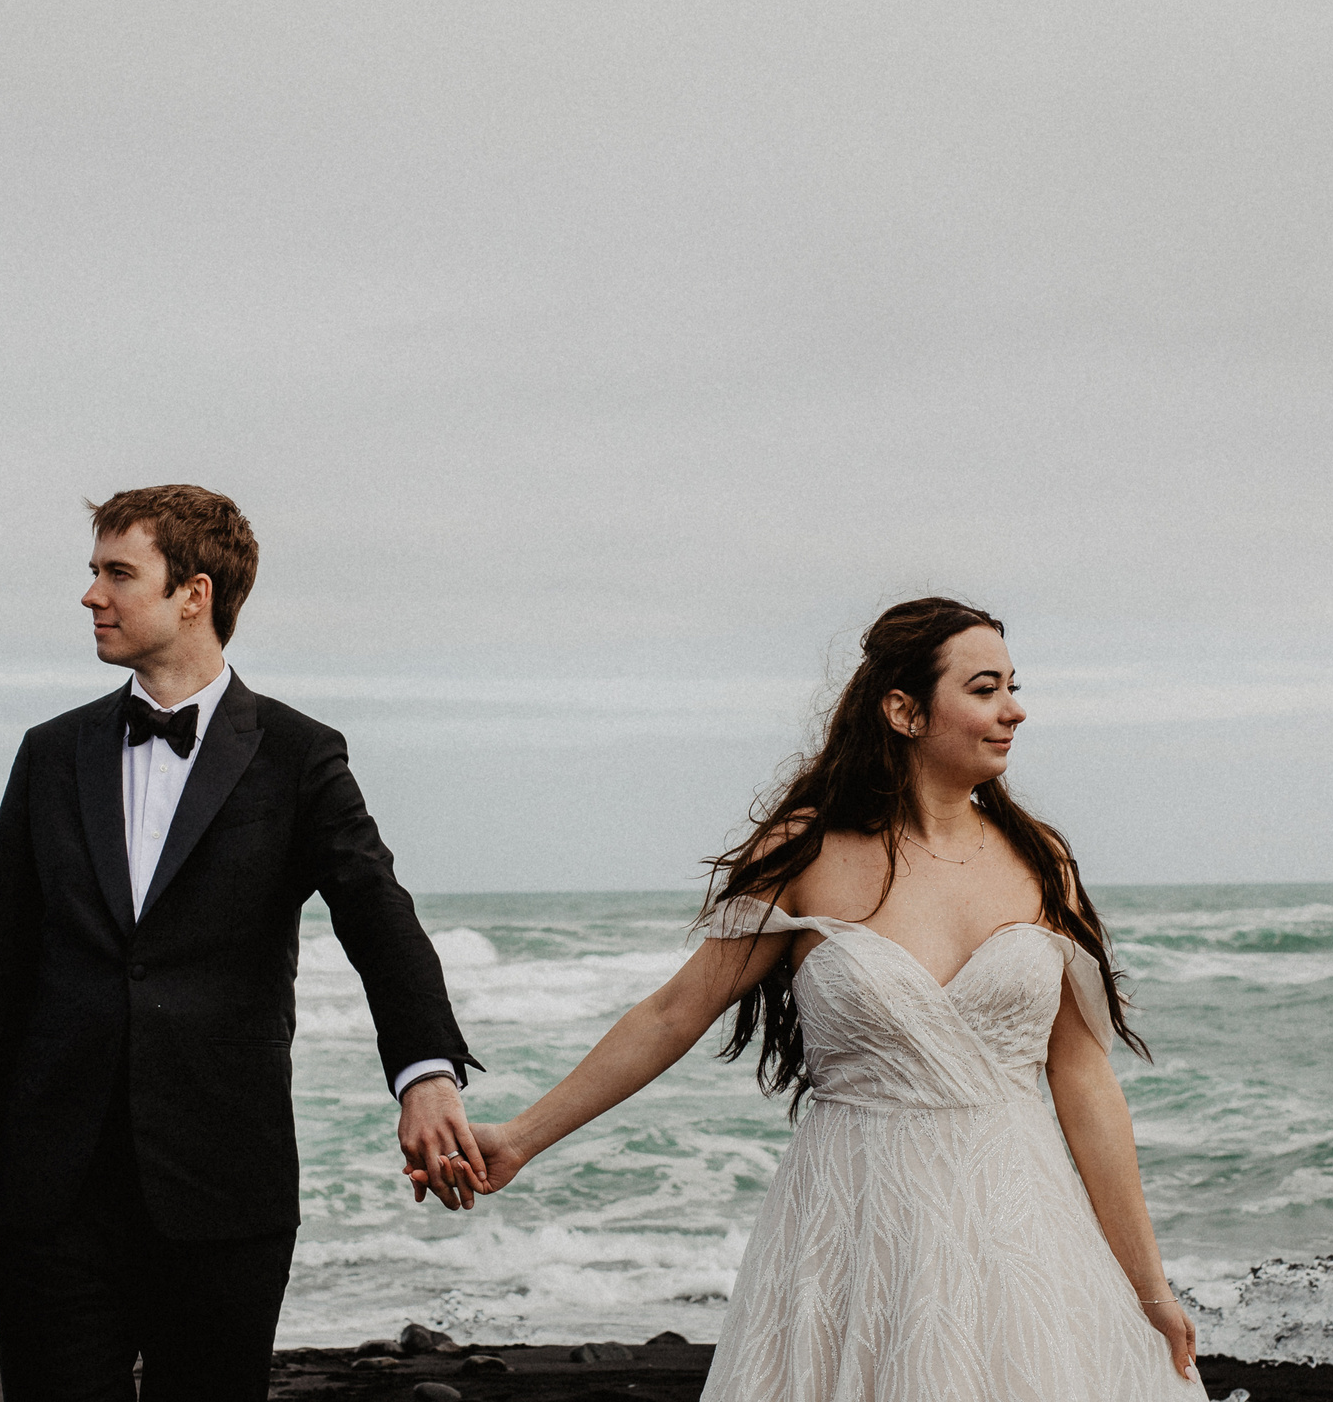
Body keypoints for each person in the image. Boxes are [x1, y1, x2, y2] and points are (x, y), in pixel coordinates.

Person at [447, 597, 1205, 1401]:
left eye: (1014, 687)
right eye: (985, 690)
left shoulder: (1041, 860)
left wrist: (1148, 1286)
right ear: (904, 710)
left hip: (1023, 1233)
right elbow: (675, 1013)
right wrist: (523, 1137)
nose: (1015, 710)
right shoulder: (806, 850)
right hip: (851, 1233)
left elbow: (1084, 1080)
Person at [0, 485, 487, 1402]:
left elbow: (377, 914)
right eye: (94, 572)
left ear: (194, 592)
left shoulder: (298, 756)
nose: (91, 595)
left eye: (118, 573)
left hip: (225, 1187)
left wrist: (424, 1070)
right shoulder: (49, 754)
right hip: (52, 1192)